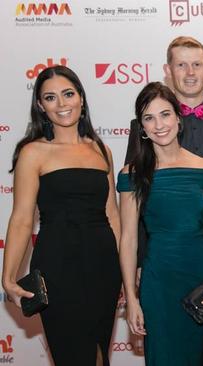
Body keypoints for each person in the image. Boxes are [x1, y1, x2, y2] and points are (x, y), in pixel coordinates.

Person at [124, 36, 203, 366]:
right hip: (158, 275)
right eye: (181, 64)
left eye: (196, 64)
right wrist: (132, 291)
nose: (158, 124)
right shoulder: (135, 162)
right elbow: (128, 233)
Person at [1, 65, 121, 365]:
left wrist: (125, 270)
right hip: (58, 267)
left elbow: (113, 216)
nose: (62, 104)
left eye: (68, 94)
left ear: (81, 97)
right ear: (41, 106)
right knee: (72, 356)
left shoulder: (101, 150)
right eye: (51, 98)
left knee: (98, 355)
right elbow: (22, 219)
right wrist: (8, 278)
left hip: (103, 266)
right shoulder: (33, 152)